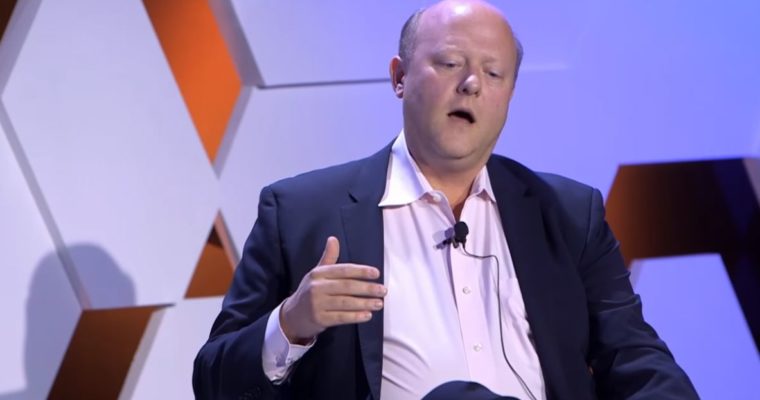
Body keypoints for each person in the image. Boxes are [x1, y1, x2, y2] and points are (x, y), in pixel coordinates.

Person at [193, 1, 698, 399]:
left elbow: (634, 357)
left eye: (494, 74)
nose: (472, 84)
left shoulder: (567, 214)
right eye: (450, 63)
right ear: (399, 77)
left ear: (510, 95)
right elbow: (213, 381)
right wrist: (291, 324)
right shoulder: (301, 212)